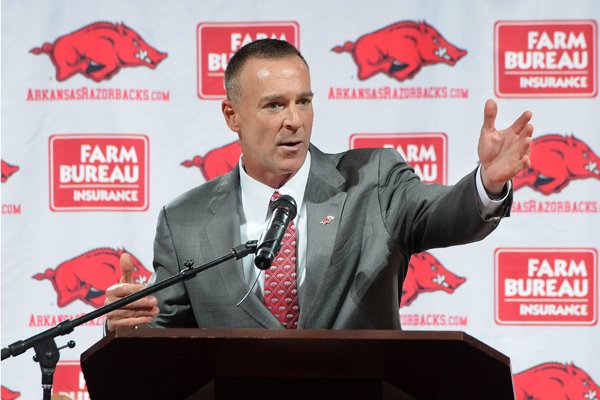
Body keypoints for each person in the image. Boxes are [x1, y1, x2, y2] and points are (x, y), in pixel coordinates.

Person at [105, 39, 533, 331]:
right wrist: (128, 326)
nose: (294, 120)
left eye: (303, 102)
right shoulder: (186, 221)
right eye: (274, 105)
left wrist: (485, 184)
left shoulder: (373, 179)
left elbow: (439, 215)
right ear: (232, 115)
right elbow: (164, 340)